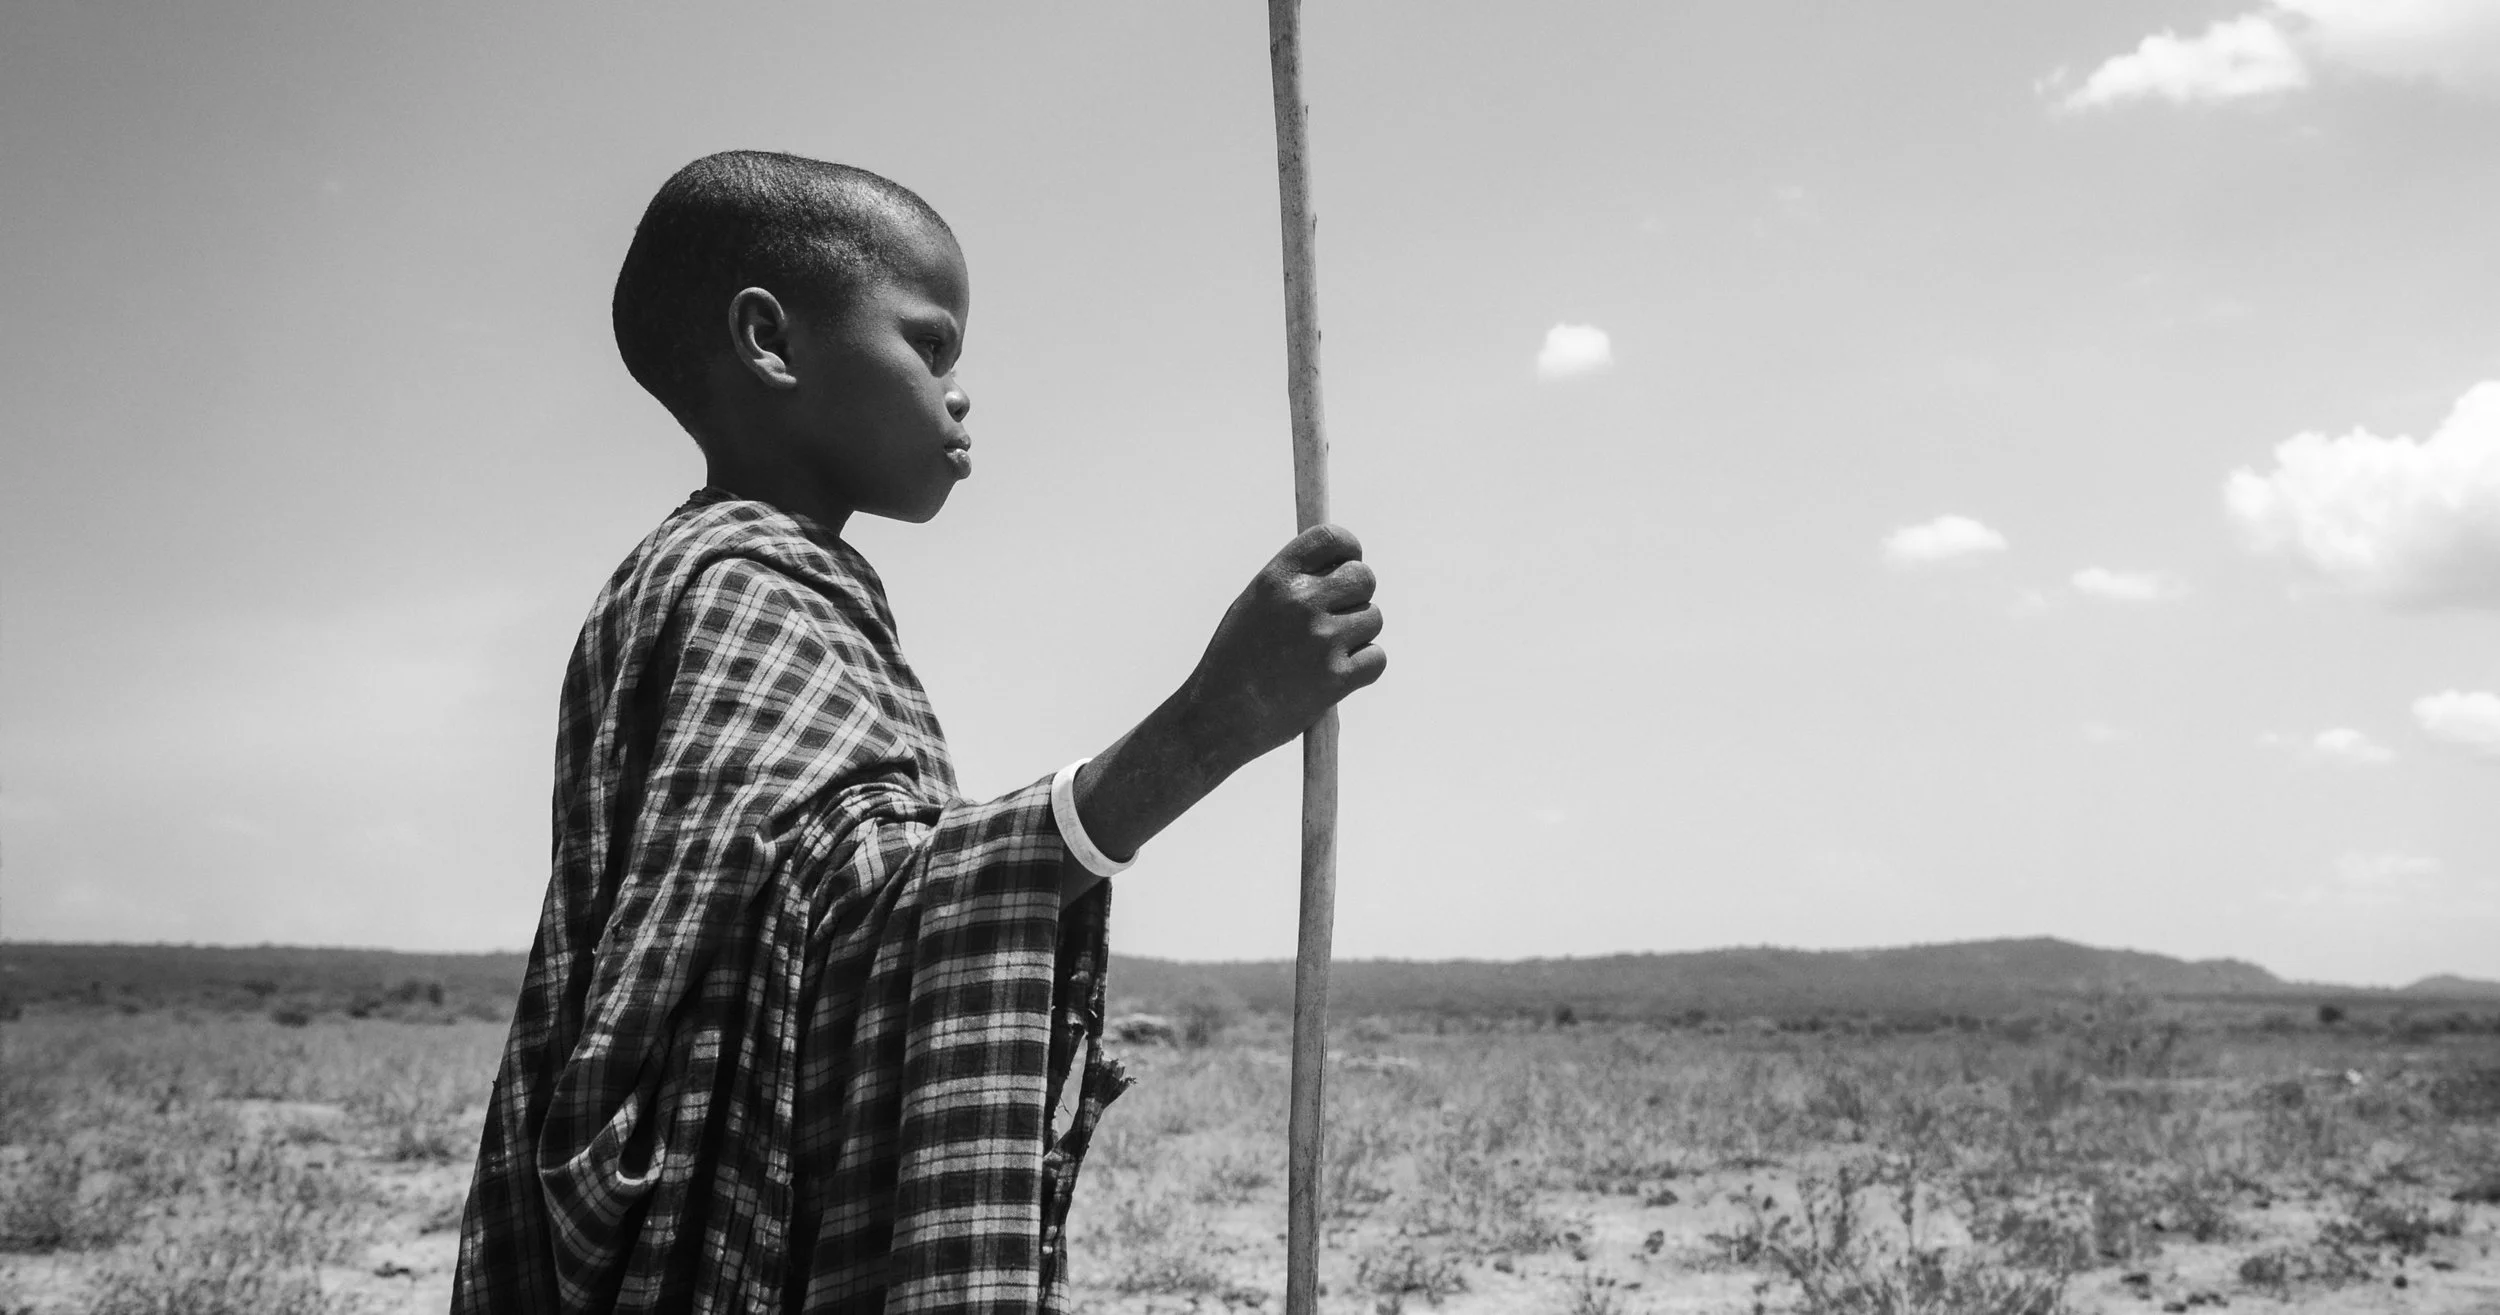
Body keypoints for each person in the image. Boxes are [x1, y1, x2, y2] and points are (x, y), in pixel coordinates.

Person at [453, 150, 1386, 1315]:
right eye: (928, 344)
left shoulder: (769, 586)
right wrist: (1213, 721)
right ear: (771, 341)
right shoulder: (727, 589)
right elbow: (841, 918)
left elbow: (807, 920)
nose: (958, 390)